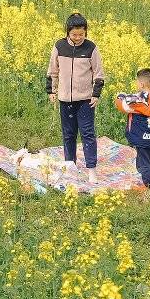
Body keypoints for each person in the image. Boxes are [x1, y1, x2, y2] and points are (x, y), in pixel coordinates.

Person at [47, 12, 103, 184]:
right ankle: (70, 166)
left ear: (86, 32)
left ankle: (91, 170)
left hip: (85, 99)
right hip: (65, 99)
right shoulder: (59, 46)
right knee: (69, 134)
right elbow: (52, 71)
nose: (78, 38)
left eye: (81, 34)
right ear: (67, 32)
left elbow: (98, 73)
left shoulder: (91, 48)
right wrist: (52, 91)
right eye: (74, 34)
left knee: (88, 133)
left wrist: (96, 94)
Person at [114, 68, 150, 189]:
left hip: (142, 137)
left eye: (136, 81)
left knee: (143, 163)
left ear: (141, 84)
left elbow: (123, 105)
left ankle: (149, 186)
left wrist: (119, 96)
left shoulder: (138, 98)